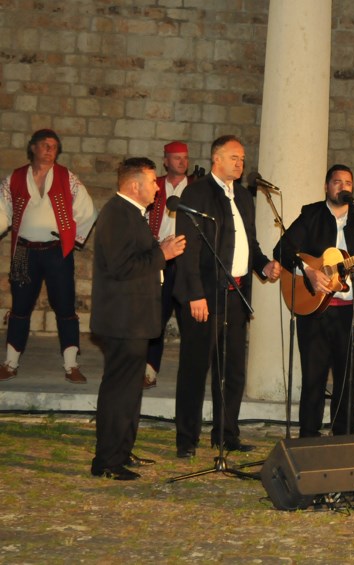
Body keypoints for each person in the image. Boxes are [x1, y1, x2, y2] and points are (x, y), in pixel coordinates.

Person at [173, 135, 282, 458]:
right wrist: (195, 294)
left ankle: (226, 434)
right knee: (195, 368)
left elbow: (250, 243)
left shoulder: (245, 197)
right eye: (234, 157)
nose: (240, 164)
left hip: (236, 295)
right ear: (216, 159)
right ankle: (186, 439)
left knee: (232, 370)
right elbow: (188, 249)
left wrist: (263, 265)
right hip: (205, 295)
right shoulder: (196, 193)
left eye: (242, 159)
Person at [90, 157, 186, 480]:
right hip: (122, 318)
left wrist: (159, 248)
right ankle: (107, 461)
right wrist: (163, 254)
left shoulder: (131, 213)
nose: (158, 188)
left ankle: (121, 451)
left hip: (133, 317)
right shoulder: (117, 214)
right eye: (152, 182)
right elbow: (121, 267)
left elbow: (135, 256)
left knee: (130, 390)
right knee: (119, 390)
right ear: (134, 186)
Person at [275, 164, 354, 437]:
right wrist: (308, 271)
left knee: (347, 378)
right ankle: (308, 436)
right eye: (337, 182)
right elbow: (282, 250)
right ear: (327, 187)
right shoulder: (311, 215)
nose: (343, 186)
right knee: (313, 377)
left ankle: (343, 437)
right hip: (314, 310)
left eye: (348, 182)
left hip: (351, 312)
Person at [0, 129, 97, 384]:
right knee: (20, 308)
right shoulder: (15, 178)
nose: (49, 149)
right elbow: (2, 211)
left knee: (65, 307)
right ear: (33, 147)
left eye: (54, 146)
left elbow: (87, 210)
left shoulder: (67, 177)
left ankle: (71, 365)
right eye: (44, 145)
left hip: (57, 252)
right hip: (24, 251)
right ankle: (10, 363)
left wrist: (72, 240)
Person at [144, 141, 194, 389]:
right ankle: (149, 371)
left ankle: (191, 375)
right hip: (162, 258)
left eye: (185, 158)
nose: (182, 162)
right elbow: (142, 215)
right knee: (156, 316)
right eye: (176, 158)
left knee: (190, 321)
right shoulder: (154, 185)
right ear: (166, 161)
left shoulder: (196, 187)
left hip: (188, 261)